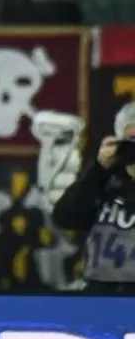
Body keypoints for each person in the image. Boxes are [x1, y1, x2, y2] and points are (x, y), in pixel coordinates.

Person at [52, 103, 135, 293]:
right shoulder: (105, 181)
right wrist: (99, 168)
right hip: (99, 294)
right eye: (131, 140)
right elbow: (64, 217)